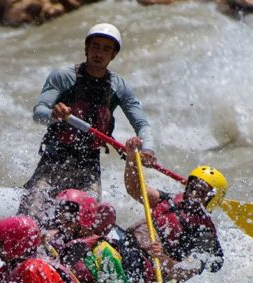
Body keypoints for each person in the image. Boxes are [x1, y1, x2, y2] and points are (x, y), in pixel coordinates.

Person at [18, 22, 156, 225]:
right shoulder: (64, 76)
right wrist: (54, 115)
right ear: (86, 49)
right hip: (54, 159)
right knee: (30, 218)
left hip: (89, 166)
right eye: (95, 46)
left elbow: (142, 124)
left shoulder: (119, 87)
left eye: (106, 49)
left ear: (114, 55)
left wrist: (148, 149)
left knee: (87, 224)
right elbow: (39, 113)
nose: (99, 53)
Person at [118, 139, 226, 283]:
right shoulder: (170, 201)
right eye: (192, 187)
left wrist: (161, 257)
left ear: (211, 200)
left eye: (200, 192)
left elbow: (185, 272)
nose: (193, 195)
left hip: (145, 270)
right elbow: (135, 188)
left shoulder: (204, 234)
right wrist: (131, 157)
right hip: (127, 246)